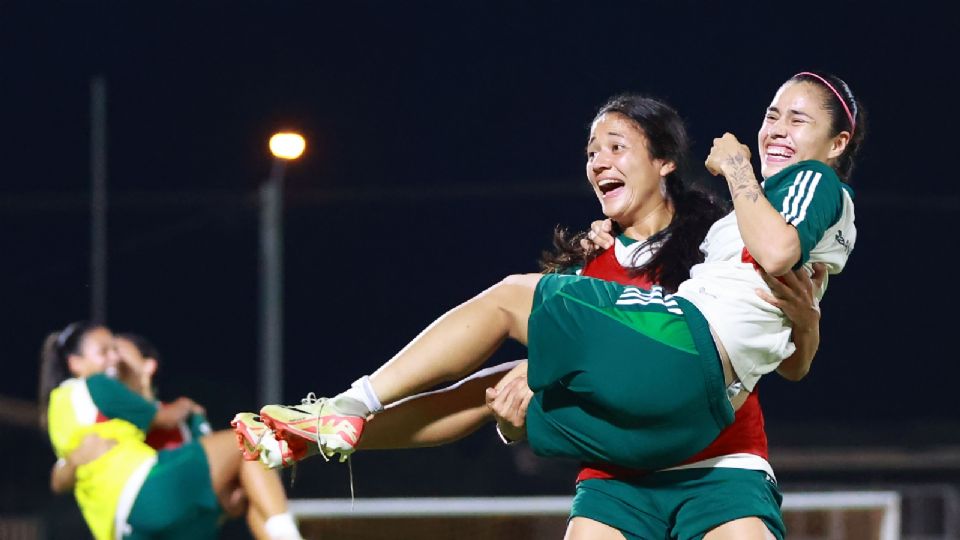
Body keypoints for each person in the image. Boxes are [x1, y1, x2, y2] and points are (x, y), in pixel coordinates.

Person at [248, 71, 862, 538]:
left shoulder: (724, 229)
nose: (599, 161)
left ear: (665, 161)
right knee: (502, 380)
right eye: (592, 151)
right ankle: (341, 428)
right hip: (622, 470)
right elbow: (524, 404)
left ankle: (351, 405)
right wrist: (516, 422)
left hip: (716, 460)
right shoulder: (588, 267)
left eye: (617, 147)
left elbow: (789, 354)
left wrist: (807, 322)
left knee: (512, 304)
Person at [41, 322, 303, 540]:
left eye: (117, 352)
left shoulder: (60, 404)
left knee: (247, 482)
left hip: (124, 527)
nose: (114, 359)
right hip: (145, 497)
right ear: (75, 362)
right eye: (105, 351)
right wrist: (185, 406)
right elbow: (163, 419)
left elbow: (61, 471)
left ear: (148, 366)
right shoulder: (100, 388)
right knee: (245, 443)